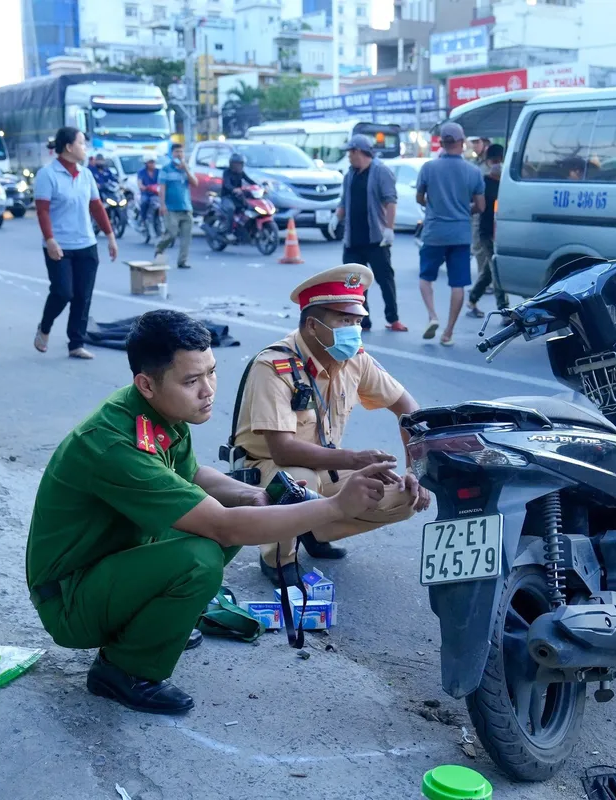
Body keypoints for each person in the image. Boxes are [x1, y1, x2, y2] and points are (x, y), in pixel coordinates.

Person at [26, 309, 394, 713]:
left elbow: (191, 474)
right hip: (70, 599)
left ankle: (156, 624)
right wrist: (336, 506)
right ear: (146, 383)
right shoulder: (113, 443)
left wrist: (253, 497)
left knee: (237, 507)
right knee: (201, 556)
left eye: (211, 373)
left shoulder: (156, 409)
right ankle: (123, 670)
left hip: (112, 562)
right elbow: (223, 527)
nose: (208, 391)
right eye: (191, 381)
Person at [233, 265, 431, 586]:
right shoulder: (275, 366)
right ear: (312, 326)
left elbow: (409, 409)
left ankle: (311, 528)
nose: (354, 329)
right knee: (299, 479)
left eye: (357, 321)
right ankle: (278, 557)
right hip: (268, 470)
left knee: (403, 494)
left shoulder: (355, 359)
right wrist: (355, 460)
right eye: (343, 321)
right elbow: (283, 452)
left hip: (326, 465)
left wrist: (414, 471)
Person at [33, 126, 118, 360]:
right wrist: (50, 240)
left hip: (86, 244)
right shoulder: (47, 174)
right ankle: (45, 327)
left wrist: (110, 236)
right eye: (82, 143)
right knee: (62, 292)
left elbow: (96, 207)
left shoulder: (86, 174)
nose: (85, 148)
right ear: (69, 147)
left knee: (83, 295)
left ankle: (76, 343)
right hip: (59, 245)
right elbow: (42, 211)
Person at [416, 121, 485, 347]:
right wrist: (464, 210)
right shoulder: (473, 171)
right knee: (458, 284)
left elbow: (420, 198)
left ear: (442, 143)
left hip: (434, 232)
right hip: (460, 234)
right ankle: (448, 333)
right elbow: (481, 206)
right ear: (462, 142)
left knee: (426, 278)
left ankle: (432, 316)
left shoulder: (428, 168)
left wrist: (434, 205)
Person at [337, 134, 407, 333]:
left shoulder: (380, 172)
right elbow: (344, 202)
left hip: (376, 238)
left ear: (359, 152)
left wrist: (389, 228)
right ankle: (362, 319)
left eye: (351, 152)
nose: (349, 156)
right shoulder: (349, 175)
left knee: (385, 279)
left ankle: (393, 319)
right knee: (354, 283)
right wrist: (337, 217)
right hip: (353, 239)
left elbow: (390, 201)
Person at [467, 144, 508, 317]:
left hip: (503, 232)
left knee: (488, 271)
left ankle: (472, 299)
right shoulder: (483, 182)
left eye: (500, 161)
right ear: (489, 162)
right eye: (494, 161)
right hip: (486, 232)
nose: (497, 164)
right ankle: (504, 310)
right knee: (496, 268)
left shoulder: (508, 182)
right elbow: (474, 204)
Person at [155, 142, 197, 269]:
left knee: (186, 237)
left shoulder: (186, 168)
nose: (179, 154)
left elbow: (195, 183)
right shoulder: (166, 169)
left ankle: (182, 261)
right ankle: (159, 248)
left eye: (181, 152)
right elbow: (162, 189)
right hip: (171, 208)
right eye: (176, 152)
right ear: (171, 154)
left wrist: (186, 169)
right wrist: (162, 205)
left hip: (186, 207)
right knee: (172, 233)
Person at [136, 156, 161, 234]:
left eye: (153, 162)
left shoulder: (158, 171)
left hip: (156, 194)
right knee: (144, 202)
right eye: (150, 162)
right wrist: (143, 187)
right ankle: (143, 220)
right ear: (146, 163)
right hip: (146, 193)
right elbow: (139, 183)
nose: (152, 164)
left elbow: (162, 182)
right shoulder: (141, 172)